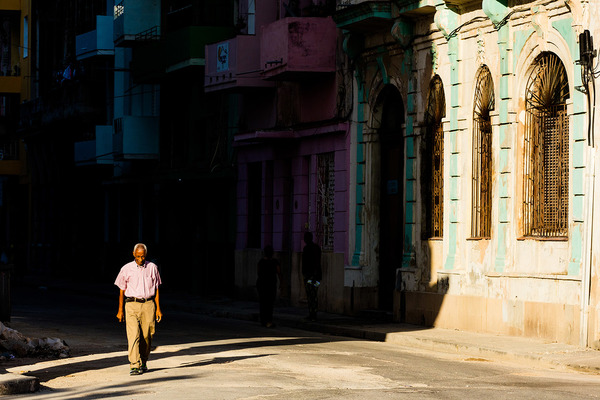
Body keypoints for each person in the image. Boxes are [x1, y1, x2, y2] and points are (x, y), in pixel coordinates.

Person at [115, 243, 163, 376]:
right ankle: (134, 364)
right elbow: (121, 290)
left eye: (142, 257)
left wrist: (158, 309)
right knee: (133, 335)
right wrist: (120, 310)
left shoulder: (152, 268)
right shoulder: (126, 269)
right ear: (133, 254)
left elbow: (157, 289)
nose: (140, 260)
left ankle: (143, 360)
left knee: (147, 336)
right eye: (138, 257)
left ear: (145, 255)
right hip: (131, 304)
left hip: (148, 304)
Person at [256, 245, 282, 328]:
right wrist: (282, 283)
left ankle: (264, 320)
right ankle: (268, 320)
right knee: (269, 303)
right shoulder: (275, 262)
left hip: (262, 285)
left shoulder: (261, 262)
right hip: (270, 285)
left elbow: (258, 273)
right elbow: (279, 273)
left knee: (263, 303)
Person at [302, 232, 322, 321]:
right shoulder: (316, 248)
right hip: (316, 276)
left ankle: (312, 314)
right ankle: (313, 313)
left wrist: (311, 274)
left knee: (311, 294)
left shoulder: (307, 249)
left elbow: (314, 262)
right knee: (313, 294)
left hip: (310, 276)